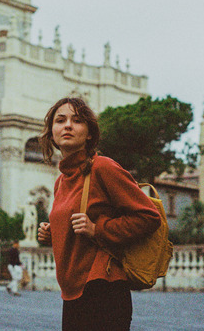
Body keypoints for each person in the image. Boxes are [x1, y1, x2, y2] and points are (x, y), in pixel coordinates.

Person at [36, 97, 161, 331]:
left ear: (90, 133)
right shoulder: (61, 181)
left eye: (77, 120)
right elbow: (78, 228)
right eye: (60, 120)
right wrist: (53, 233)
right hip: (73, 291)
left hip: (104, 287)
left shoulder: (102, 167)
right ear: (51, 133)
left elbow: (149, 216)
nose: (67, 125)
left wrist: (98, 229)